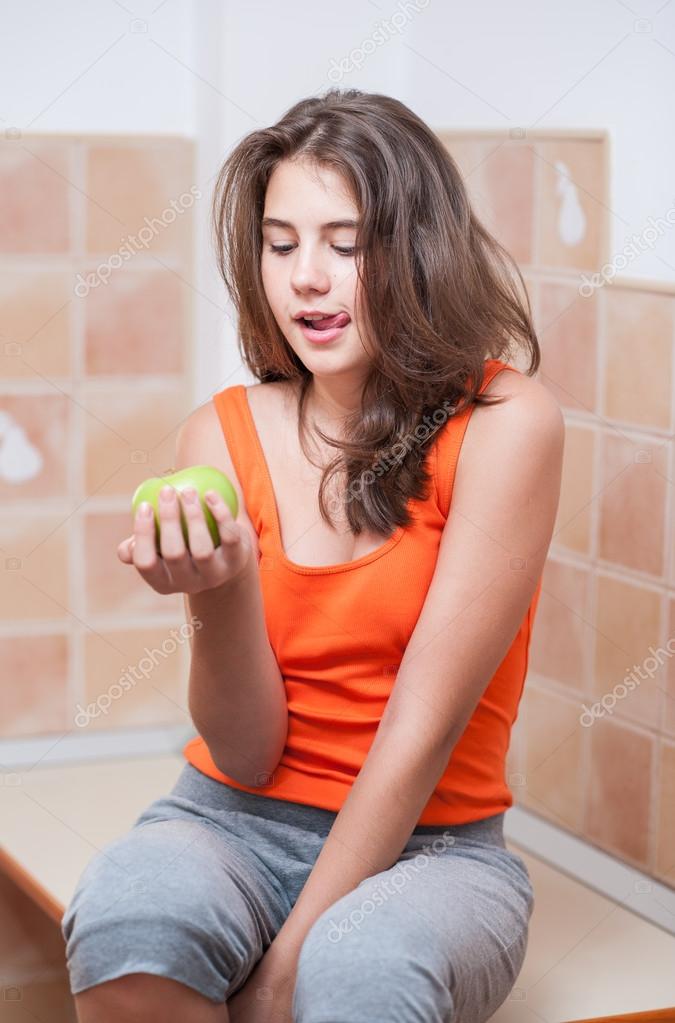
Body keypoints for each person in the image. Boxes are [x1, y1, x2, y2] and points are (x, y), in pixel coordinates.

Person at [61, 87, 564, 1023]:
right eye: (281, 243)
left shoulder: (505, 424)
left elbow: (418, 735)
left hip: (436, 849)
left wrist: (285, 969)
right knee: (131, 917)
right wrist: (225, 590)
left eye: (346, 243)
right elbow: (247, 756)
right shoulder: (217, 434)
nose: (305, 279)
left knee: (358, 966)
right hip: (225, 823)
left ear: (416, 248)